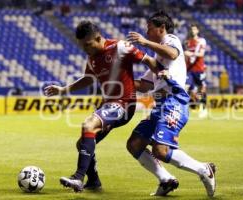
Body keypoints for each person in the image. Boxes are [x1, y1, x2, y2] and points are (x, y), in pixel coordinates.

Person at [44, 20, 158, 192]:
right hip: (110, 104)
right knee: (82, 143)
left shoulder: (120, 47)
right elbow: (87, 79)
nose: (85, 49)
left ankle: (78, 178)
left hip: (124, 104)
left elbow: (148, 60)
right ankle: (94, 181)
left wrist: (165, 74)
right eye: (82, 46)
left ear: (98, 38)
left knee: (88, 124)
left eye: (88, 45)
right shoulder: (91, 58)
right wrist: (63, 90)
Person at [127, 11, 216, 197]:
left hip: (174, 101)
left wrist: (144, 42)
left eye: (149, 28)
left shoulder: (171, 40)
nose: (146, 31)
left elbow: (173, 53)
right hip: (160, 106)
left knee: (160, 150)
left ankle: (203, 169)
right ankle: (166, 180)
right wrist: (121, 79)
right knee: (135, 144)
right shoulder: (158, 59)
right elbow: (144, 85)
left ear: (161, 28)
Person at [184, 24, 208, 118]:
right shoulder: (187, 42)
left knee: (201, 90)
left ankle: (203, 108)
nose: (192, 31)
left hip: (199, 69)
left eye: (194, 29)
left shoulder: (201, 41)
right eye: (191, 29)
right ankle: (183, 108)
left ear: (197, 30)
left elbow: (201, 54)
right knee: (186, 87)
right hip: (189, 70)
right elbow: (186, 56)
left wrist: (191, 54)